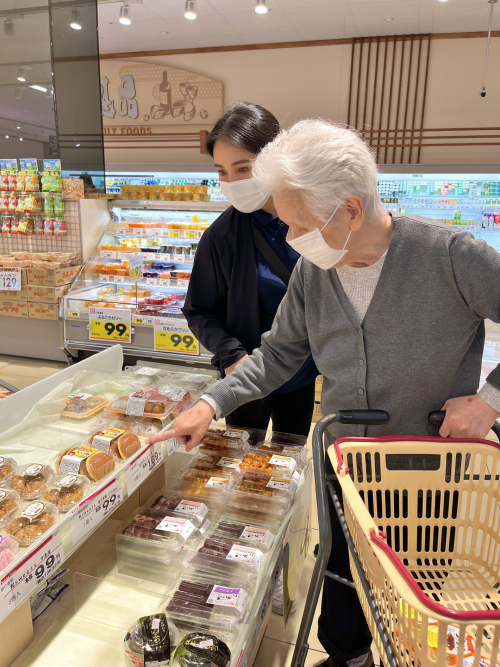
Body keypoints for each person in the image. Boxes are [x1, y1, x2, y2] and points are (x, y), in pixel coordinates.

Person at [150, 120, 500, 667]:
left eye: (300, 225)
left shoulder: (450, 255)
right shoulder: (315, 272)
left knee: (414, 575)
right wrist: (210, 403)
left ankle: (404, 653)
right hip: (344, 460)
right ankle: (348, 657)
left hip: (427, 462)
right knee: (339, 563)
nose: (292, 239)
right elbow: (277, 354)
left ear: (352, 210)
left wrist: (489, 400)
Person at [182, 102, 317, 437]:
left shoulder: (312, 221)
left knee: (291, 451)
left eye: (243, 168)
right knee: (241, 456)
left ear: (274, 159)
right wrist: (231, 355)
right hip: (243, 373)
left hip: (299, 371)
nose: (231, 181)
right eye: (221, 171)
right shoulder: (221, 236)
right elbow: (199, 310)